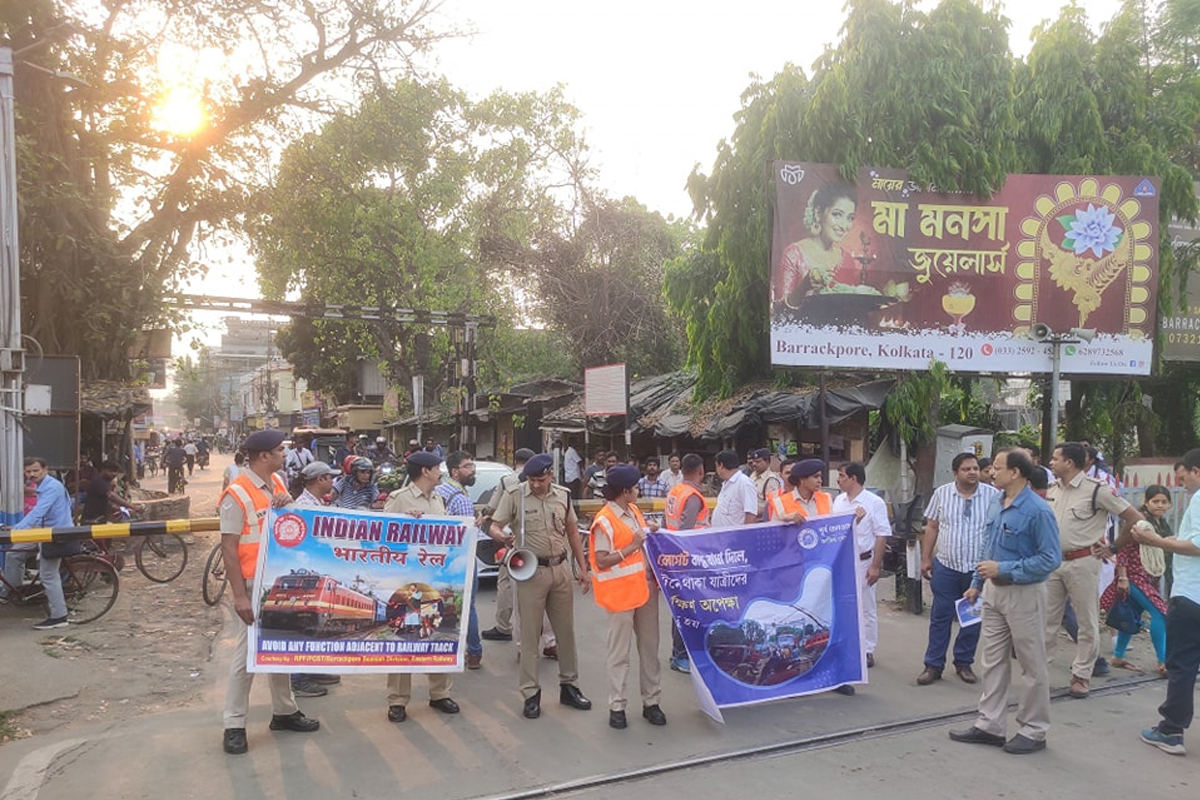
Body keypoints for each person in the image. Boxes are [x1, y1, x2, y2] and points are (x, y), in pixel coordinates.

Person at [949, 448, 1061, 755]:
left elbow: (1050, 558)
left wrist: (1004, 569)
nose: (991, 472)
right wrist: (976, 583)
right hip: (993, 593)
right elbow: (988, 545)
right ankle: (990, 725)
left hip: (1024, 593)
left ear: (1016, 472)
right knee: (993, 660)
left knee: (1031, 664)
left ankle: (1034, 730)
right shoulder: (996, 503)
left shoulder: (1038, 511)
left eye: (997, 468)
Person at [219, 429, 319, 755]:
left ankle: (285, 711)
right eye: (279, 450)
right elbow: (229, 547)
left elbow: (293, 520)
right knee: (246, 656)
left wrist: (289, 503)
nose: (284, 455)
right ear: (264, 456)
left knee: (279, 647)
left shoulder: (276, 483)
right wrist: (239, 596)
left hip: (279, 581)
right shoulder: (237, 493)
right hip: (252, 584)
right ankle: (234, 724)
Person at [488, 454, 592, 720]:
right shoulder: (516, 495)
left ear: (550, 475)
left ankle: (569, 686)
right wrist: (501, 536)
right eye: (532, 480)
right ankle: (530, 693)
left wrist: (583, 569)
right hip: (530, 571)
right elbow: (494, 525)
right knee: (530, 635)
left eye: (540, 479)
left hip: (560, 569)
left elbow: (572, 532)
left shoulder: (563, 495)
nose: (535, 484)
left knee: (565, 632)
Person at [1045, 442, 1142, 699]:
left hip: (1083, 562)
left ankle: (1081, 675)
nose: (1051, 463)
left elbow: (1134, 518)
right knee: (1046, 620)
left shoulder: (1097, 490)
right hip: (1053, 563)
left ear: (1069, 462)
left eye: (1055, 459)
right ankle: (1039, 673)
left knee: (1086, 621)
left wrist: (1114, 547)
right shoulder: (1053, 489)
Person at [380, 451, 460, 723]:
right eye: (438, 468)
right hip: (406, 582)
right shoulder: (399, 499)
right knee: (403, 637)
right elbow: (383, 536)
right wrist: (403, 522)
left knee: (437, 633)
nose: (441, 472)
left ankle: (440, 693)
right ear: (425, 471)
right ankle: (397, 700)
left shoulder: (438, 499)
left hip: (435, 578)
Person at [589, 464, 665, 729]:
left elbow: (641, 538)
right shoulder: (604, 521)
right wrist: (631, 546)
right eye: (635, 488)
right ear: (624, 491)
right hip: (620, 595)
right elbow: (601, 561)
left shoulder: (633, 511)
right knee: (619, 654)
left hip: (644, 591)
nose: (638, 491)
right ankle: (617, 706)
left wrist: (652, 530)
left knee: (650, 649)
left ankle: (651, 702)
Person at [1135, 448, 1200, 756]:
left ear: (1196, 470)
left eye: (1184, 477)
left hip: (1191, 596)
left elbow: (1197, 545)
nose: (1182, 484)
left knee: (1182, 665)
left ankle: (1171, 731)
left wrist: (1156, 541)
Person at [918, 453, 1001, 685]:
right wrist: (925, 558)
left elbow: (997, 530)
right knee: (940, 616)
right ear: (955, 472)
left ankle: (964, 662)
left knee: (972, 618)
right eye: (966, 469)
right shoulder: (942, 493)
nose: (972, 472)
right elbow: (932, 527)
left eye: (975, 468)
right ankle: (933, 665)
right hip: (947, 566)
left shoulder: (993, 496)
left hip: (977, 569)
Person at [1099, 484, 1170, 675]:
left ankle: (1118, 656)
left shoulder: (1161, 524)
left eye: (1164, 502)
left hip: (1150, 577)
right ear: (1146, 502)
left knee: (1132, 615)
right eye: (1155, 501)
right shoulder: (1139, 523)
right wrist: (1122, 577)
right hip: (1133, 576)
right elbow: (1123, 550)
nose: (1160, 505)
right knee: (1160, 613)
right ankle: (1163, 661)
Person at [0, 457, 79, 630]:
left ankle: (59, 616)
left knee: (48, 575)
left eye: (36, 470)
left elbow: (38, 512)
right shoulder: (41, 486)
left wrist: (17, 530)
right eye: (28, 471)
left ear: (45, 469)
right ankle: (12, 591)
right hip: (42, 531)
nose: (32, 474)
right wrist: (18, 528)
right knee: (14, 554)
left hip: (56, 534)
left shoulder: (52, 487)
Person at [289, 461, 343, 697]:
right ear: (320, 479)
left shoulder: (316, 503)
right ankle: (298, 680)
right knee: (304, 627)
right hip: (307, 576)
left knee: (313, 627)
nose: (333, 481)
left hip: (316, 574)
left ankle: (310, 670)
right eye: (330, 477)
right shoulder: (304, 507)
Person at [832, 462, 890, 669]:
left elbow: (881, 535)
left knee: (866, 607)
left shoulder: (874, 503)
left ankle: (867, 649)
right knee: (842, 605)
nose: (838, 480)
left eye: (841, 476)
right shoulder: (838, 501)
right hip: (842, 561)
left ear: (853, 478)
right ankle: (845, 644)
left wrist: (875, 566)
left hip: (864, 560)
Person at [434, 451, 485, 670]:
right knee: (467, 606)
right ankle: (474, 652)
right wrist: (478, 525)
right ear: (455, 472)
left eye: (473, 465)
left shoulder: (438, 491)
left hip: (439, 558)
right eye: (468, 466)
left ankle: (442, 647)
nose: (473, 470)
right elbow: (468, 536)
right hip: (461, 559)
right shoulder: (461, 499)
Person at [774, 181, 860, 307]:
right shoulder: (794, 254)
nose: (844, 225)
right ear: (818, 213)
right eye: (837, 215)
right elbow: (780, 310)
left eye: (850, 218)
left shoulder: (847, 260)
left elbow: (851, 307)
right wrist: (804, 287)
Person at [663, 453, 709, 673]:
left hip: (676, 556)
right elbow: (686, 532)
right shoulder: (692, 497)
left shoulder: (676, 491)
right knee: (687, 608)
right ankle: (680, 655)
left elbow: (668, 524)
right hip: (689, 559)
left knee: (682, 606)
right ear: (701, 471)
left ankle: (680, 653)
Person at [712, 449, 758, 527]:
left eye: (716, 466)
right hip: (721, 532)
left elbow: (751, 514)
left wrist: (744, 533)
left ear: (721, 465)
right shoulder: (726, 483)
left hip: (734, 534)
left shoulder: (744, 483)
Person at [748, 448, 783, 520]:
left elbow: (772, 505)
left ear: (767, 461)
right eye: (753, 461)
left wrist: (753, 511)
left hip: (761, 520)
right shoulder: (753, 476)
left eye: (758, 462)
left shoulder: (771, 480)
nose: (754, 464)